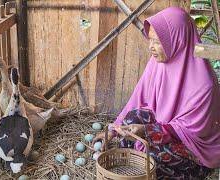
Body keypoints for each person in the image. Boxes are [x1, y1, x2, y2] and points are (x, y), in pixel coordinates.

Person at [93, 7, 220, 179]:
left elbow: (190, 133)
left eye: (158, 42)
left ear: (178, 40)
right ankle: (139, 161)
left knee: (154, 157)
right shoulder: (158, 63)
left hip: (194, 150)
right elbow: (137, 99)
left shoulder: (204, 85)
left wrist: (147, 131)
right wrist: (114, 130)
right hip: (162, 127)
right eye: (150, 40)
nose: (151, 48)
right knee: (132, 118)